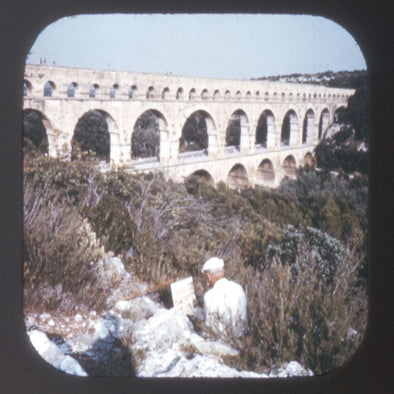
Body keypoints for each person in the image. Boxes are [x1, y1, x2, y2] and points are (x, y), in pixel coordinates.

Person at [201, 257, 248, 340]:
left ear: (209, 276)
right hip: (241, 341)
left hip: (222, 345)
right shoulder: (238, 288)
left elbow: (210, 328)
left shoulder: (209, 296)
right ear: (223, 271)